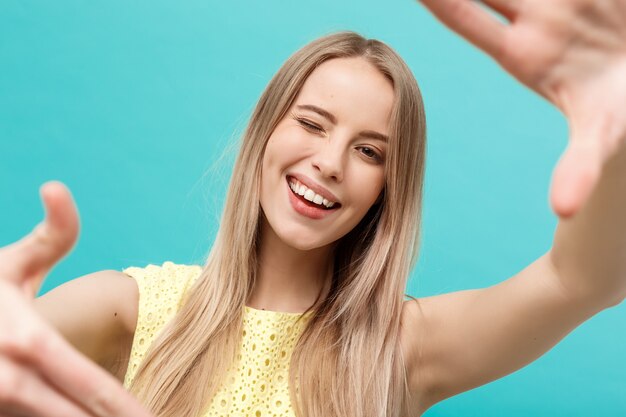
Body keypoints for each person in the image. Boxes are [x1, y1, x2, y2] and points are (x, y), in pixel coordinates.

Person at [1, 0, 625, 416]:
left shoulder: (400, 348)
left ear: (388, 189)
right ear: (265, 134)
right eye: (312, 123)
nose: (330, 162)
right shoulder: (128, 309)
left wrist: (618, 115)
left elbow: (581, 280)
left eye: (370, 151)